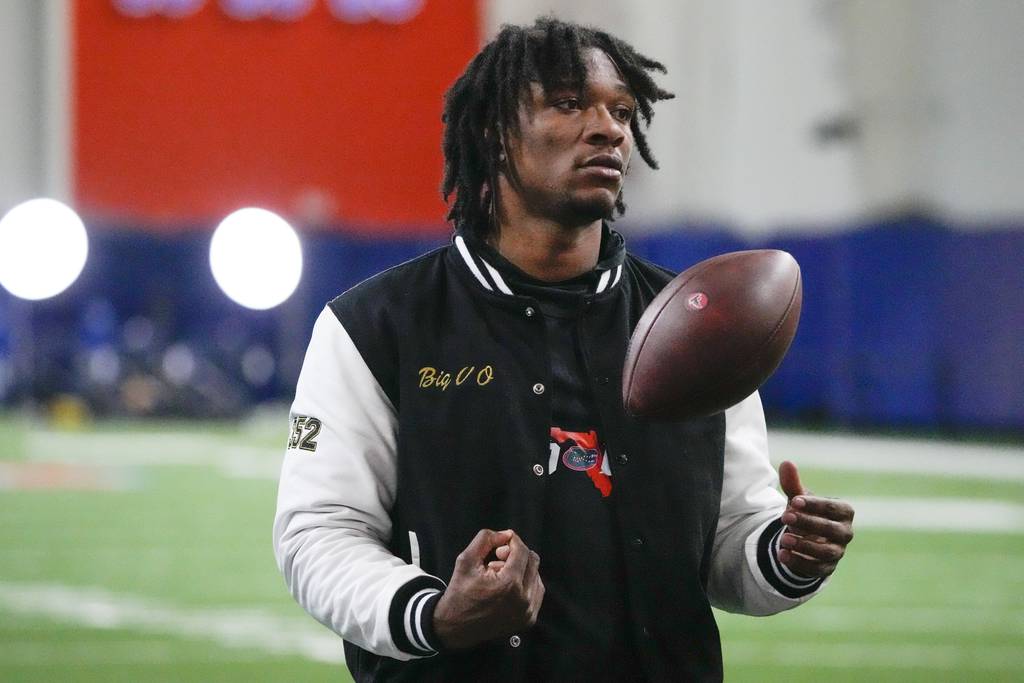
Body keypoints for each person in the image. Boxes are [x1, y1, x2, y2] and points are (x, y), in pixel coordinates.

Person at [273, 16, 855, 682]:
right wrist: (432, 611)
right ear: (494, 130)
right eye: (570, 103)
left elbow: (731, 538)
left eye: (623, 110)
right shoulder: (374, 325)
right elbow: (318, 532)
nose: (609, 128)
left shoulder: (701, 324)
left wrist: (783, 551)